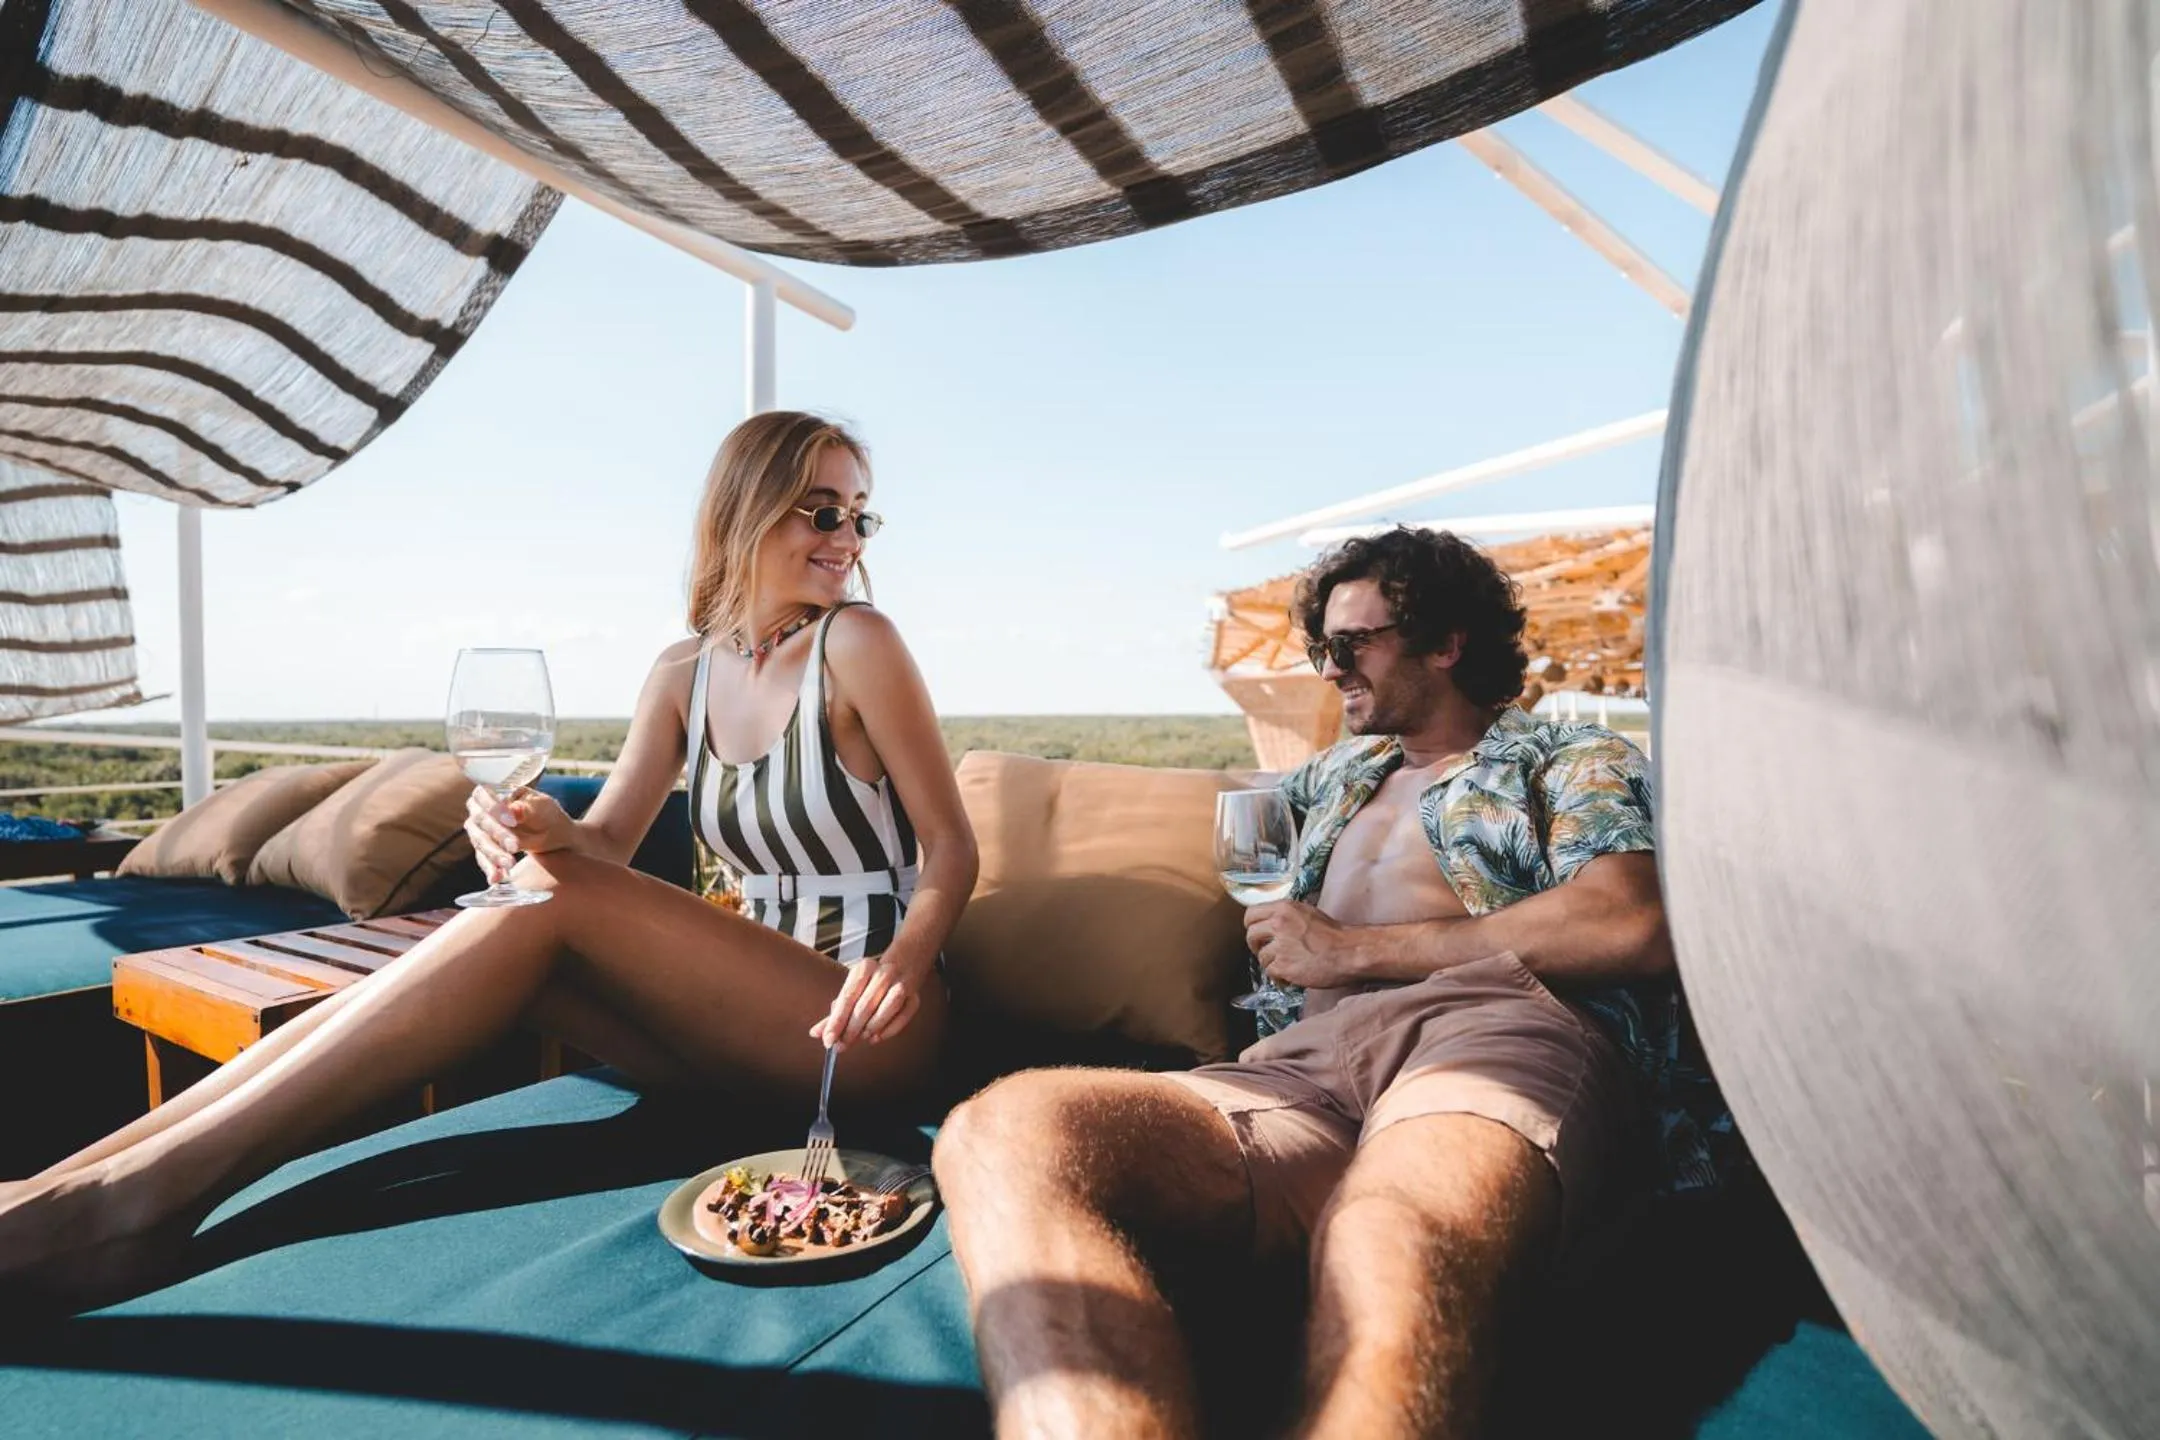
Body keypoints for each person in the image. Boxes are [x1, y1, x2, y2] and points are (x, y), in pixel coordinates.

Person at [0, 410, 977, 1310]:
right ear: (746, 510)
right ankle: (78, 1181)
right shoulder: (685, 672)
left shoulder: (859, 641)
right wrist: (539, 829)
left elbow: (951, 849)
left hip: (871, 1024)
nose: (845, 537)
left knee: (538, 903)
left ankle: (130, 1209)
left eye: (859, 515)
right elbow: (598, 852)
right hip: (749, 1038)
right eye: (821, 510)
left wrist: (899, 963)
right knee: (513, 911)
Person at [933, 526, 1729, 1440]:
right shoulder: (1336, 777)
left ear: (1445, 641)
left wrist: (1353, 951)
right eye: (1322, 649)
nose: (1329, 670)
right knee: (1004, 1133)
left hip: (1497, 1035)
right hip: (1297, 1073)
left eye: (1351, 645)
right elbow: (1216, 813)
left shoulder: (1569, 761)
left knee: (1388, 1230)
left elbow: (1627, 920)